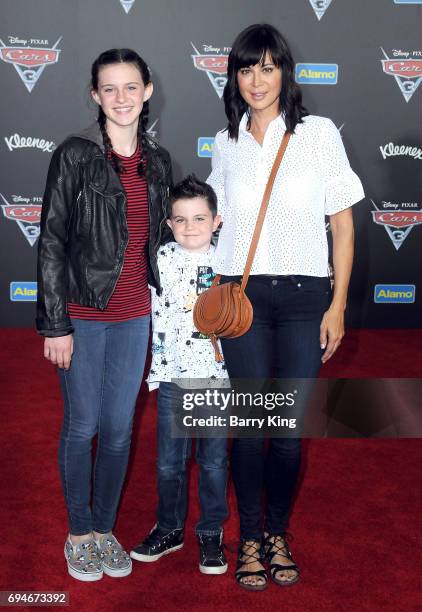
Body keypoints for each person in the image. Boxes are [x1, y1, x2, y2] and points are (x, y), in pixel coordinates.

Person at [207, 23, 364, 590]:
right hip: (244, 302)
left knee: (289, 430)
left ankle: (276, 532)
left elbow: (342, 225)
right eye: (246, 68)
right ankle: (249, 536)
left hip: (304, 299)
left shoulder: (318, 134)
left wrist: (338, 303)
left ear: (285, 73)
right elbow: (212, 224)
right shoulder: (225, 143)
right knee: (253, 426)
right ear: (234, 76)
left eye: (267, 67)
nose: (257, 79)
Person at [36, 48, 172, 582]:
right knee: (83, 424)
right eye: (109, 89)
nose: (121, 98)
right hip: (83, 314)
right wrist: (55, 323)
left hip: (136, 316)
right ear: (95, 95)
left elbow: (158, 242)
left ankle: (104, 529)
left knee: (118, 430)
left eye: (130, 87)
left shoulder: (159, 163)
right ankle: (79, 533)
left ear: (148, 91)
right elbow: (51, 240)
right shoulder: (74, 154)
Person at [130, 175, 229, 575]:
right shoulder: (157, 258)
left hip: (218, 380)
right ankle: (170, 528)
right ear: (169, 223)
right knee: (169, 464)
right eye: (181, 219)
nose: (191, 227)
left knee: (214, 463)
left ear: (217, 221)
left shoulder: (231, 262)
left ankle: (210, 532)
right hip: (172, 376)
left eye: (200, 219)